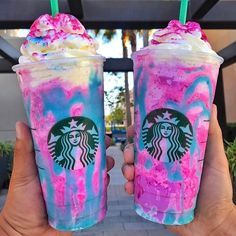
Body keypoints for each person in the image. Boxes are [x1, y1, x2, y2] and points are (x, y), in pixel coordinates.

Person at [122, 105, 236, 235]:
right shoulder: (155, 144)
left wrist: (221, 219)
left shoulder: (176, 147)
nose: (166, 130)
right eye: (163, 127)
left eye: (169, 127)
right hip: (147, 199)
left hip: (187, 199)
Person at [0, 121, 114, 236]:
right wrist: (13, 229)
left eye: (77, 135)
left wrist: (12, 230)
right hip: (51, 209)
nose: (74, 139)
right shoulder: (63, 155)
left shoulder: (85, 152)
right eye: (71, 136)